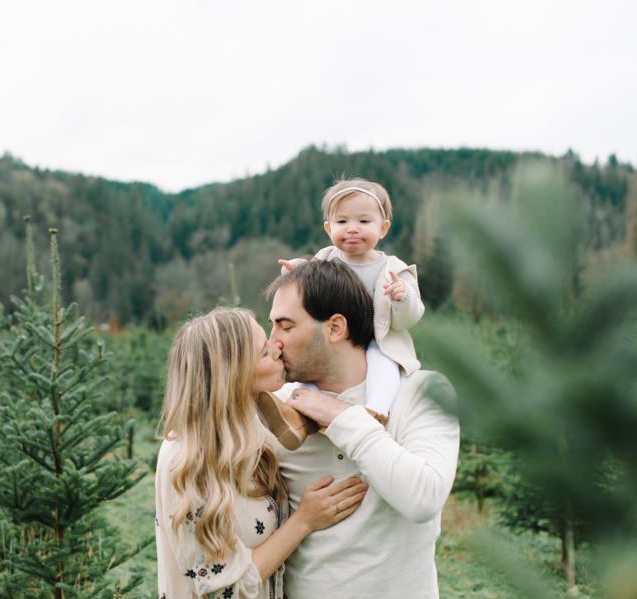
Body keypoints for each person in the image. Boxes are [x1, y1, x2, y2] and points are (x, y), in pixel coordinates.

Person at [267, 260, 459, 599]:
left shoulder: (425, 393)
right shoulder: (277, 407)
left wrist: (341, 417)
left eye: (285, 326)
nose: (273, 343)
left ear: (335, 328)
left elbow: (424, 499)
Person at [155, 307, 369, 599]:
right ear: (233, 373)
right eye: (263, 352)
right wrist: (304, 521)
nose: (277, 348)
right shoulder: (184, 461)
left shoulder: (254, 429)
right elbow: (226, 588)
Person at [279, 179, 424, 419]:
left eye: (364, 221)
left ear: (383, 228)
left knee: (384, 367)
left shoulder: (394, 269)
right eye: (342, 221)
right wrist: (295, 270)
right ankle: (296, 413)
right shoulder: (326, 258)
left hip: (376, 340)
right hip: (334, 339)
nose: (352, 228)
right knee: (310, 370)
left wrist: (402, 296)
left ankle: (377, 412)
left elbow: (411, 317)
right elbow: (308, 278)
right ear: (328, 229)